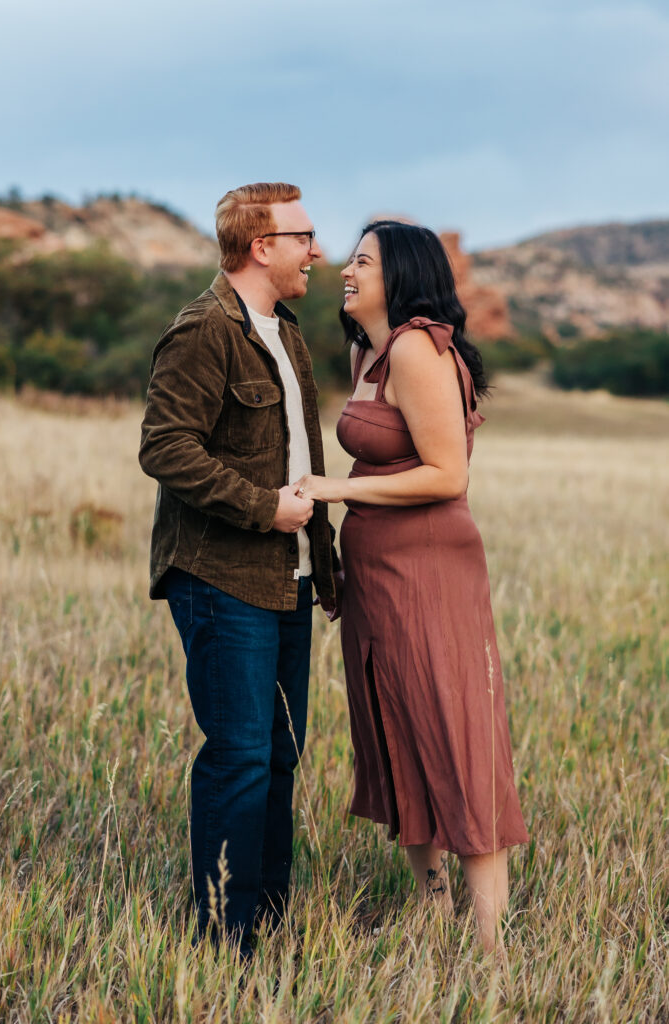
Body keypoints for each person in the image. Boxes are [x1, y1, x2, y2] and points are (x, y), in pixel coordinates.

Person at [295, 220, 528, 951]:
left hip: (428, 565)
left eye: (362, 260)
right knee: (391, 726)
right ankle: (429, 906)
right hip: (376, 572)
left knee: (452, 728)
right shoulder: (367, 351)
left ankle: (490, 942)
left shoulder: (416, 349)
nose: (345, 269)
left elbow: (446, 474)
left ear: (399, 275)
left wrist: (334, 490)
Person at [139, 182, 341, 957]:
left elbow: (299, 454)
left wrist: (317, 566)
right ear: (261, 247)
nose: (314, 251)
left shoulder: (284, 331)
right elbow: (164, 448)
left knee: (280, 754)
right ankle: (226, 938)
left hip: (285, 577)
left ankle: (269, 920)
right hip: (222, 577)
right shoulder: (203, 330)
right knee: (241, 755)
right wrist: (265, 509)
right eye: (303, 236)